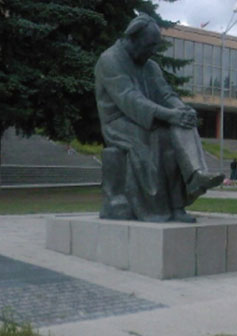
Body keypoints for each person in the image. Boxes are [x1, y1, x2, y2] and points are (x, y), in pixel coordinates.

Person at [95, 14, 223, 223]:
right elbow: (130, 100)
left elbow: (166, 95)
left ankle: (194, 178)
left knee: (182, 123)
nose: (152, 51)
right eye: (149, 45)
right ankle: (162, 206)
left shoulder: (150, 66)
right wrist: (169, 115)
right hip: (118, 122)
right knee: (162, 138)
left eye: (155, 46)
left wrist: (181, 110)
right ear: (132, 39)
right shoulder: (110, 60)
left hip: (146, 117)